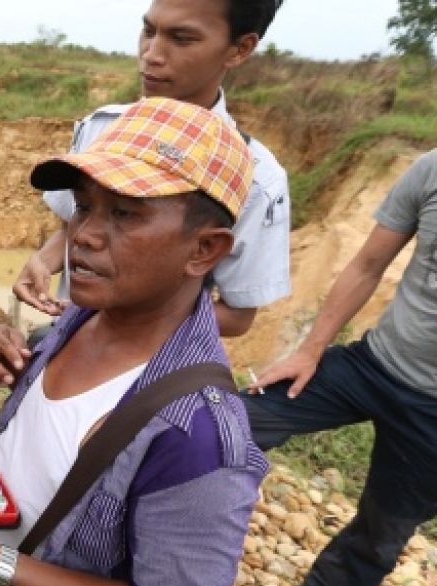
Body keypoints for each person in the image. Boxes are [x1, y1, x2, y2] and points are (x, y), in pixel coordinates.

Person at [0, 97, 268, 586]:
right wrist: (2, 356)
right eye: (84, 206)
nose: (84, 235)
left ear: (204, 251)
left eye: (125, 214)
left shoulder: (198, 435)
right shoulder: (76, 321)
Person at [245, 144, 437, 586]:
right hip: (374, 364)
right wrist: (310, 350)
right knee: (236, 420)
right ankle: (167, 516)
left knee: (389, 518)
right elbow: (368, 264)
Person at [15, 0, 289, 338]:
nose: (151, 54)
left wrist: (109, 315)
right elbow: (71, 228)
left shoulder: (256, 176)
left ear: (240, 48)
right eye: (148, 31)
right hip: (67, 340)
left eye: (182, 38)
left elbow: (237, 317)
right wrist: (43, 262)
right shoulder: (101, 128)